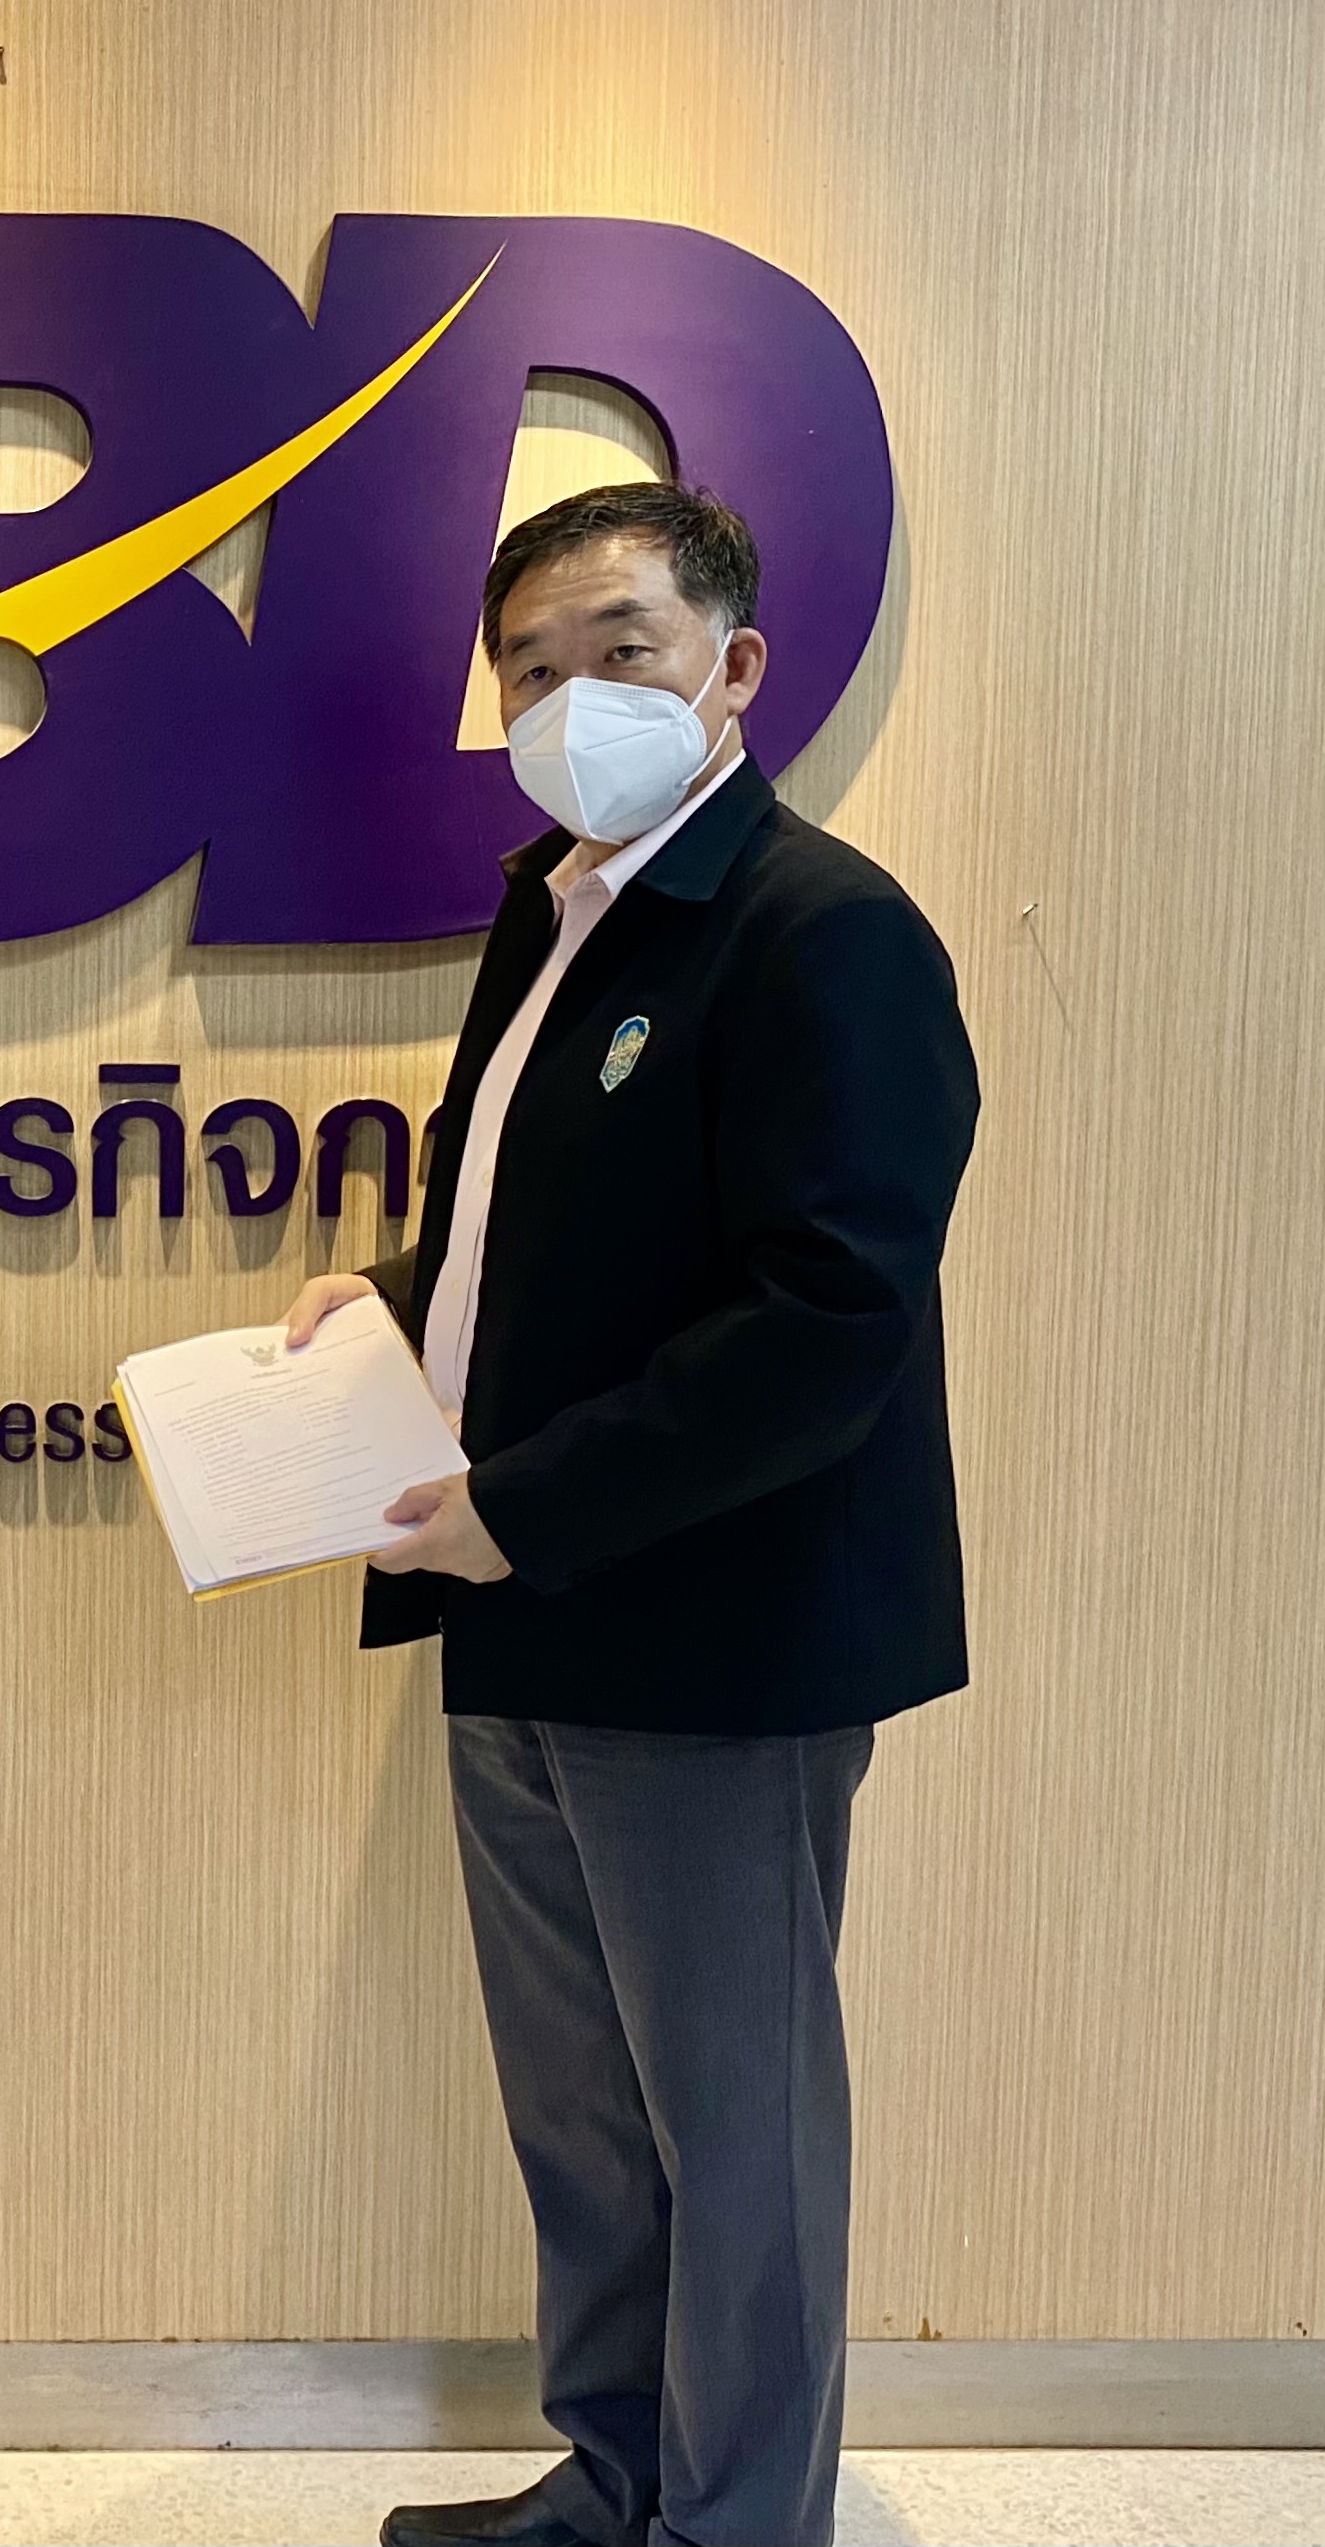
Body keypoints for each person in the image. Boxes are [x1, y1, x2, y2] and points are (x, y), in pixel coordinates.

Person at [282, 482, 980, 2547]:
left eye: (618, 648)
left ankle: (734, 2520)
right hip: (519, 1598)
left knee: (733, 2126)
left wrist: (524, 1504)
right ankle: (614, 2479)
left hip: (711, 1634)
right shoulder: (558, 909)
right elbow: (526, 1233)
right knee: (582, 2110)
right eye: (527, 666)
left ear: (730, 666)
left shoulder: (818, 928)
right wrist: (386, 1308)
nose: (567, 696)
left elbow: (824, 1316)